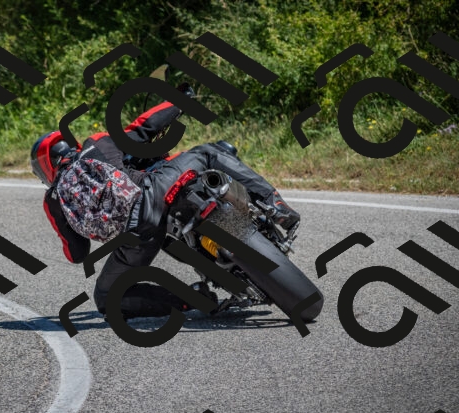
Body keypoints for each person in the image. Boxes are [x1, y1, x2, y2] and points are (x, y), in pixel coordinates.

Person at [31, 101, 300, 319]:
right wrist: (179, 100)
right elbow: (143, 129)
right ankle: (275, 204)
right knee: (208, 153)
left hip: (136, 236)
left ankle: (191, 299)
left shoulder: (53, 200)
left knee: (107, 297)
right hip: (154, 194)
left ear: (45, 169)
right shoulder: (97, 143)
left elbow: (77, 254)